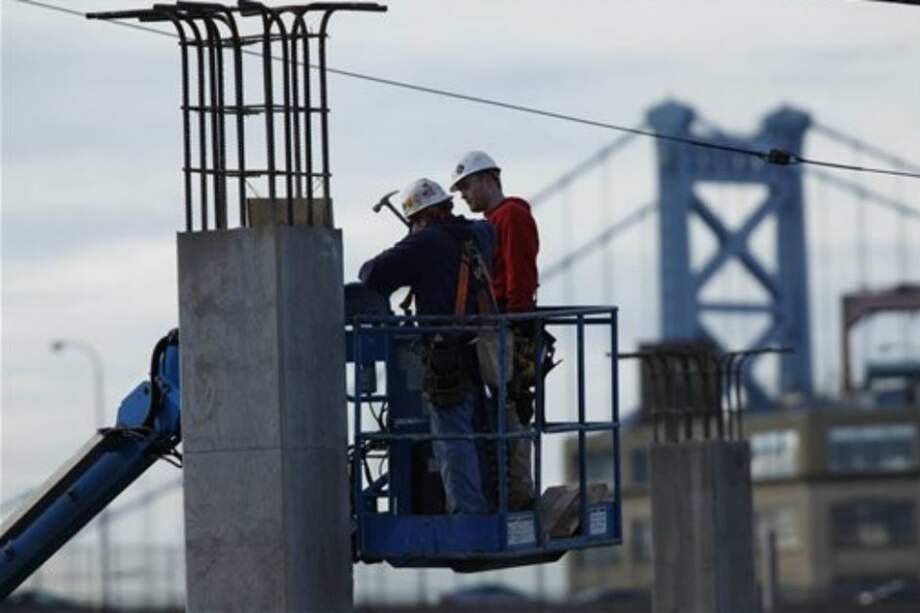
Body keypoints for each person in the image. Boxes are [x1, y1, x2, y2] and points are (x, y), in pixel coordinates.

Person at [359, 177, 494, 515]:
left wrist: (412, 242)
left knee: (452, 438)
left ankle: (468, 514)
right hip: (487, 350)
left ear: (419, 217)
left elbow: (372, 273)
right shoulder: (480, 234)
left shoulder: (426, 242)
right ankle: (492, 502)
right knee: (482, 432)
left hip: (448, 355)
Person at [450, 151, 539, 510]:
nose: (463, 195)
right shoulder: (490, 222)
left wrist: (514, 324)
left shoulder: (511, 216)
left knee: (511, 409)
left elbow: (520, 274)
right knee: (499, 412)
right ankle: (505, 490)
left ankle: (517, 492)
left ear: (489, 178)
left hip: (507, 325)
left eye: (467, 186)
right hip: (494, 324)